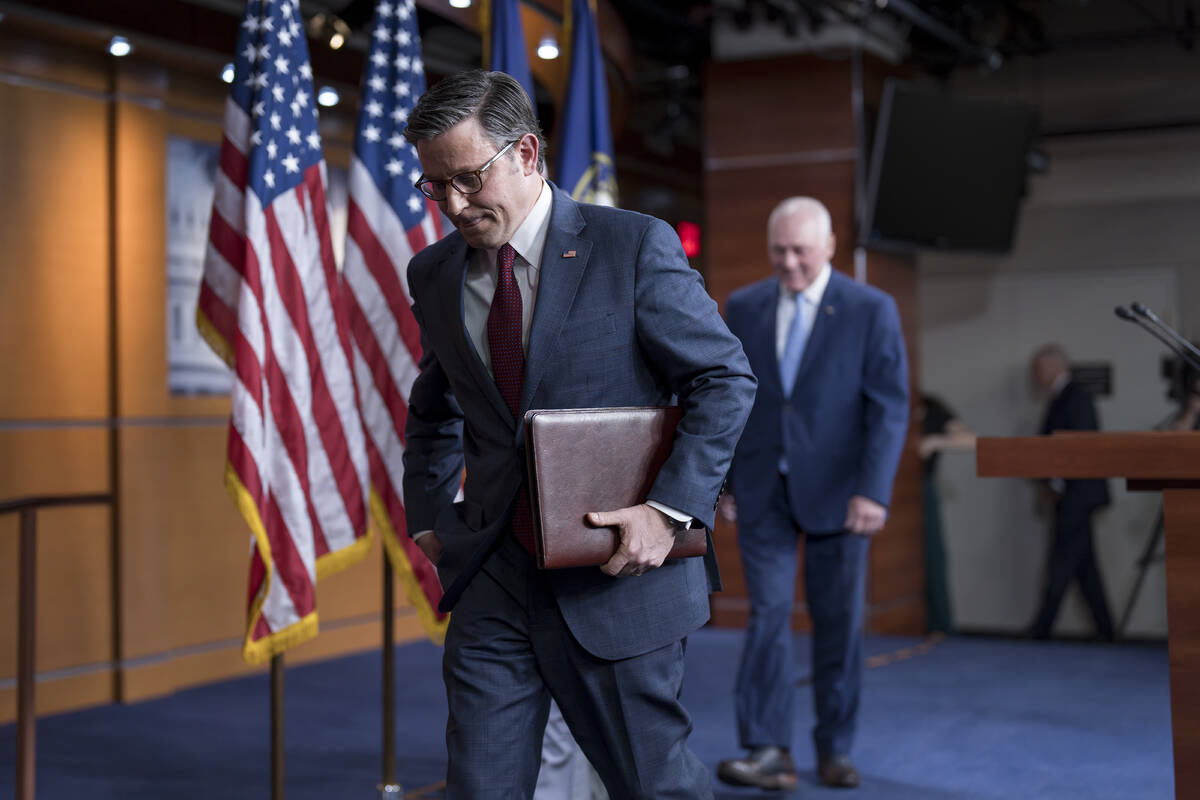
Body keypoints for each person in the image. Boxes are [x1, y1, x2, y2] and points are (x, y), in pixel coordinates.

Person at [400, 70, 756, 799]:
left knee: (652, 787)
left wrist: (667, 511)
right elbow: (436, 406)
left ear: (526, 152)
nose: (454, 206)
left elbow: (723, 381)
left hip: (616, 576)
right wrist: (433, 519)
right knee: (481, 788)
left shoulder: (632, 247)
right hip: (493, 577)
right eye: (434, 188)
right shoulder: (433, 273)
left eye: (468, 179)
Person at [716, 196, 909, 790]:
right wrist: (723, 481)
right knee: (769, 616)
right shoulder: (744, 306)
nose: (790, 262)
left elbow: (889, 408)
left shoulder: (870, 308)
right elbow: (725, 397)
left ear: (828, 246)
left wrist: (873, 491)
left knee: (838, 622)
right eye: (780, 250)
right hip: (761, 490)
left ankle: (834, 747)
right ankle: (769, 748)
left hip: (842, 495)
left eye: (801, 249)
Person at [1028, 344, 1114, 641]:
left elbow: (1076, 448)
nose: (1034, 376)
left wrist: (1054, 482)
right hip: (1073, 496)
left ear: (1054, 367)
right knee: (1085, 569)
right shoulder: (1061, 398)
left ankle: (1042, 629)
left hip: (1078, 495)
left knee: (1061, 563)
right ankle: (1106, 631)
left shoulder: (1075, 397)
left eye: (1038, 368)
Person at [916, 394, 977, 635]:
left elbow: (971, 440)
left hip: (920, 489)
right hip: (883, 491)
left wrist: (935, 442)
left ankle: (940, 626)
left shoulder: (930, 407)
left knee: (932, 557)